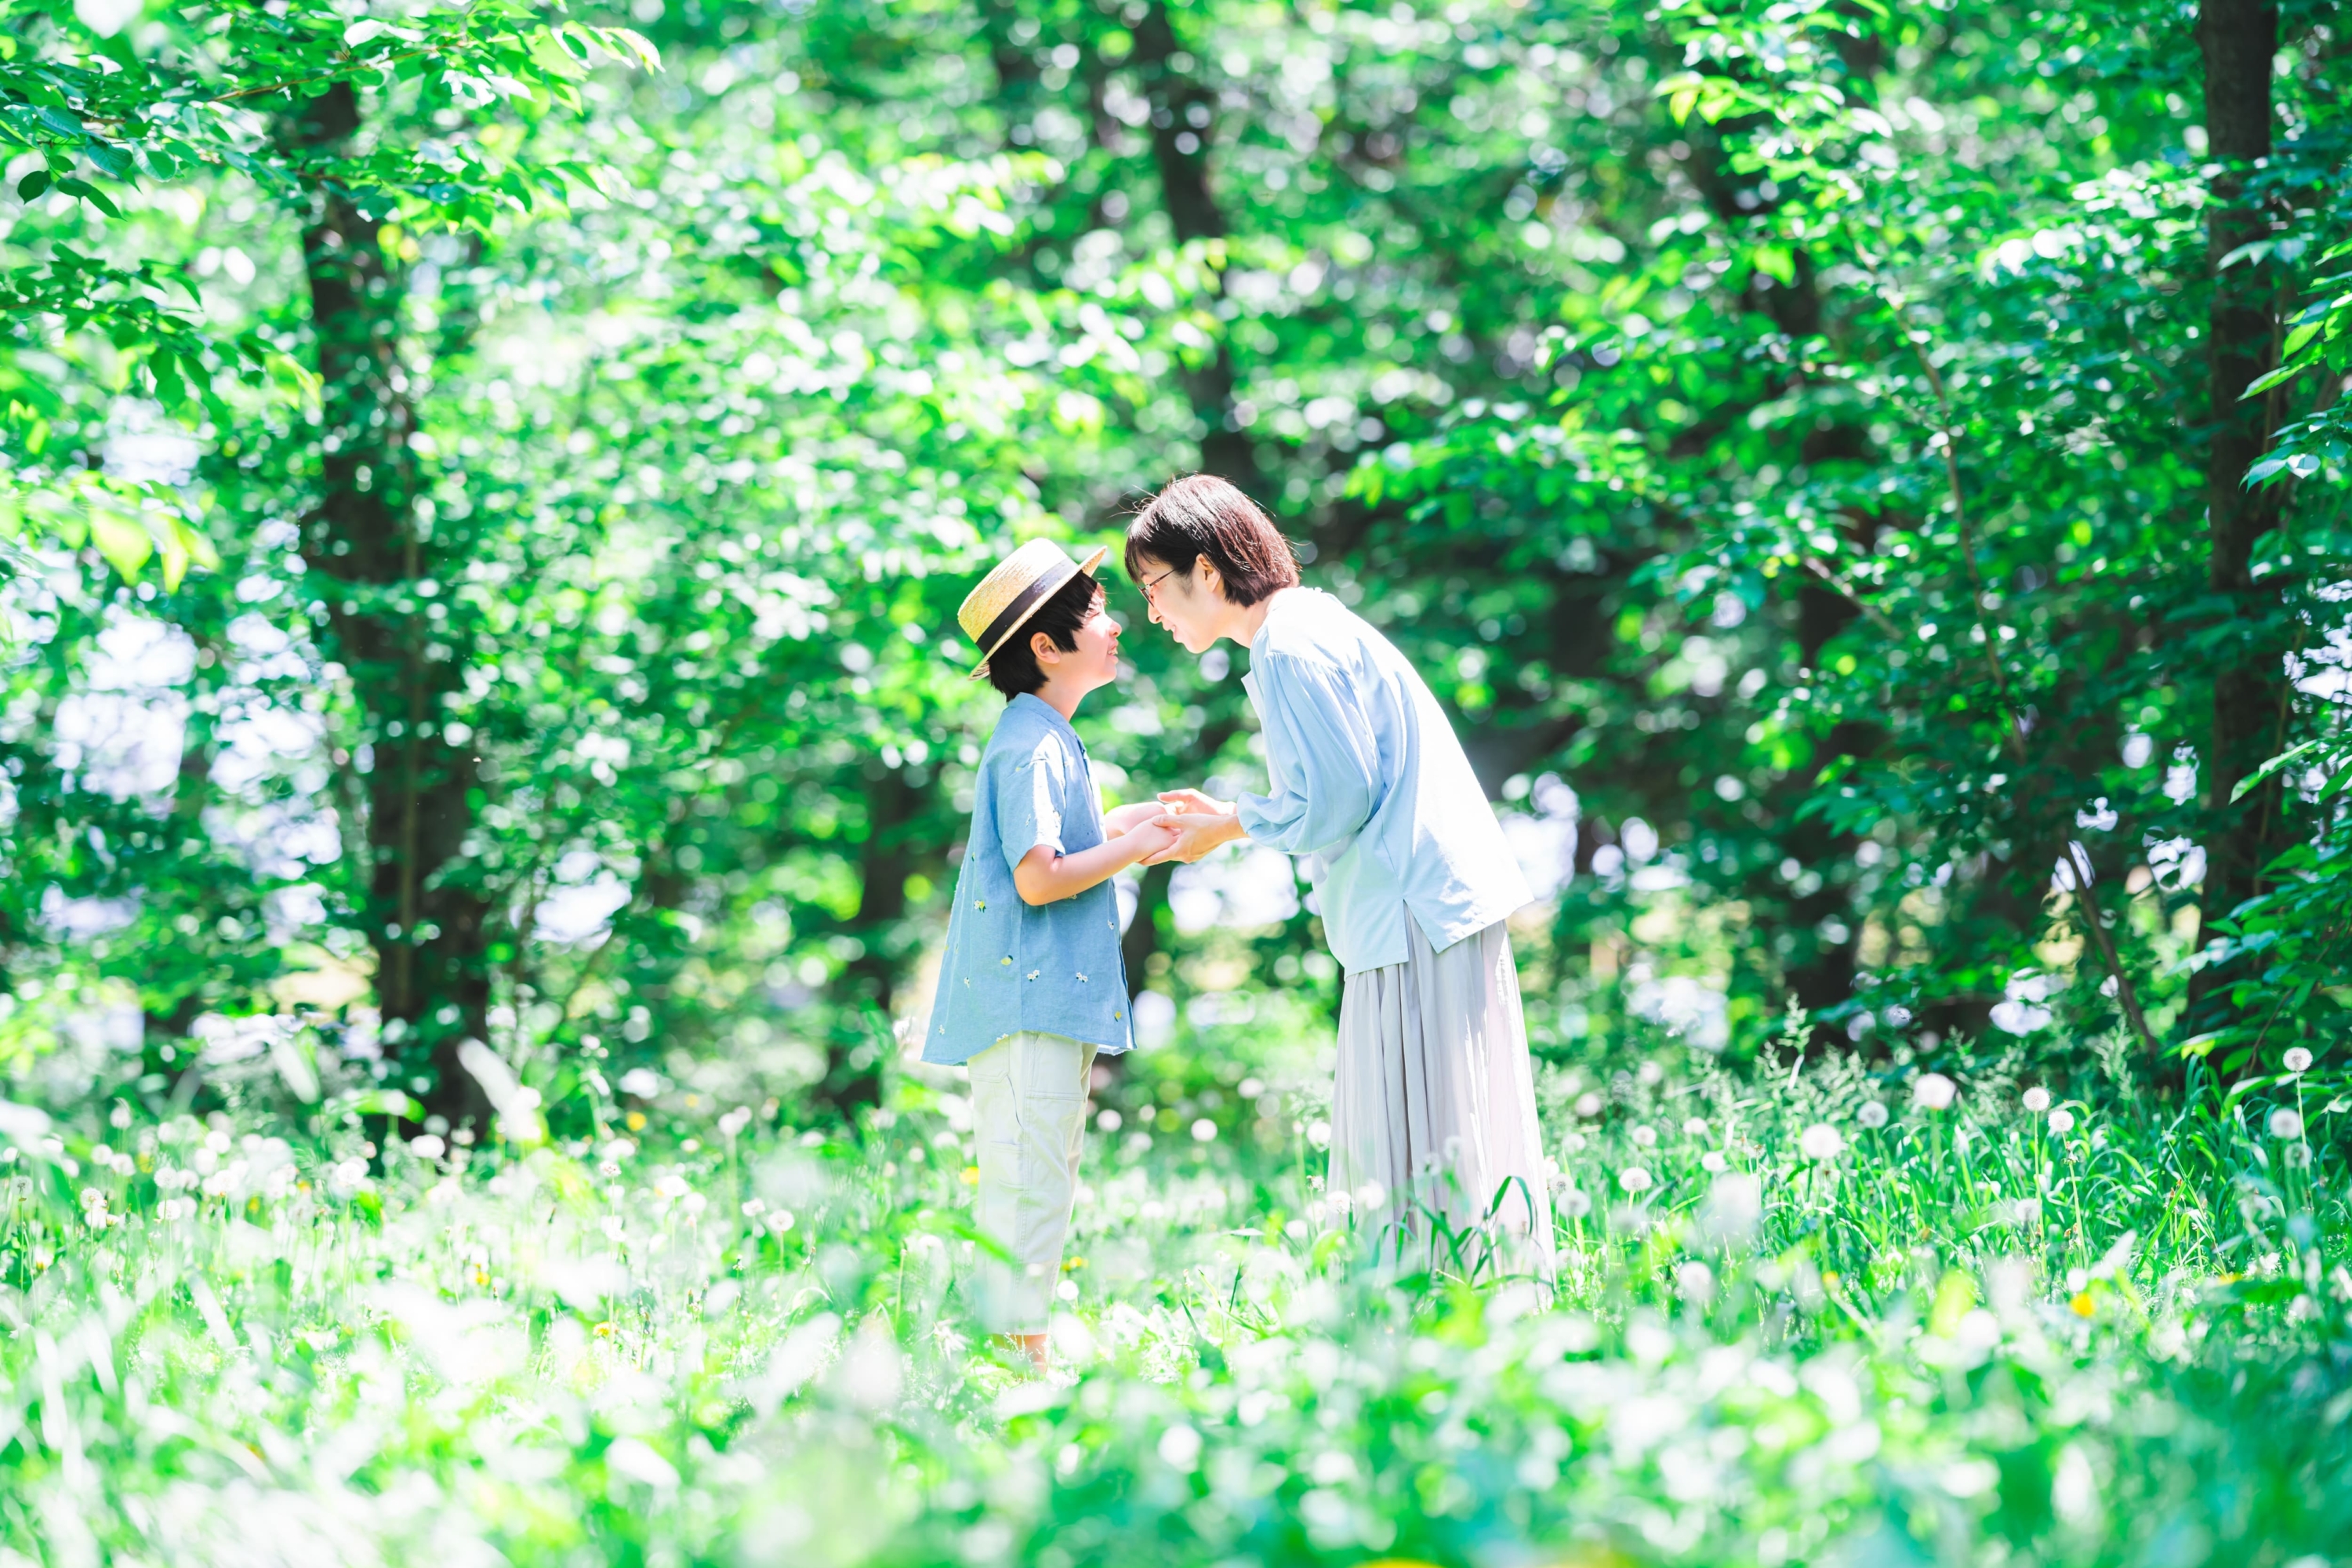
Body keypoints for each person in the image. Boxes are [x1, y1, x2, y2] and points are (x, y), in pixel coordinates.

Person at [1125, 476, 1553, 1272]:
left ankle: (1438, 1312)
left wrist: (1231, 822)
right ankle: (1465, 1308)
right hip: (1423, 902)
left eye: (1153, 587)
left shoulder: (1290, 643)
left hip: (1411, 909)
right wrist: (1233, 817)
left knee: (1424, 1134)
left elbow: (1336, 797)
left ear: (1209, 572)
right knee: (1448, 1126)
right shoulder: (1304, 627)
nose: (1150, 612)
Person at [925, 539, 1181, 1371]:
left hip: (1039, 1003)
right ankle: (1014, 1359)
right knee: (1030, 1186)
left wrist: (1133, 825)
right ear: (1046, 644)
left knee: (1038, 1179)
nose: (1116, 625)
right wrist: (1135, 843)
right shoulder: (1030, 742)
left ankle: (1013, 1349)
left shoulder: (1045, 734)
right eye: (1099, 610)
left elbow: (1061, 846)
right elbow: (1040, 878)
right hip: (1027, 1005)